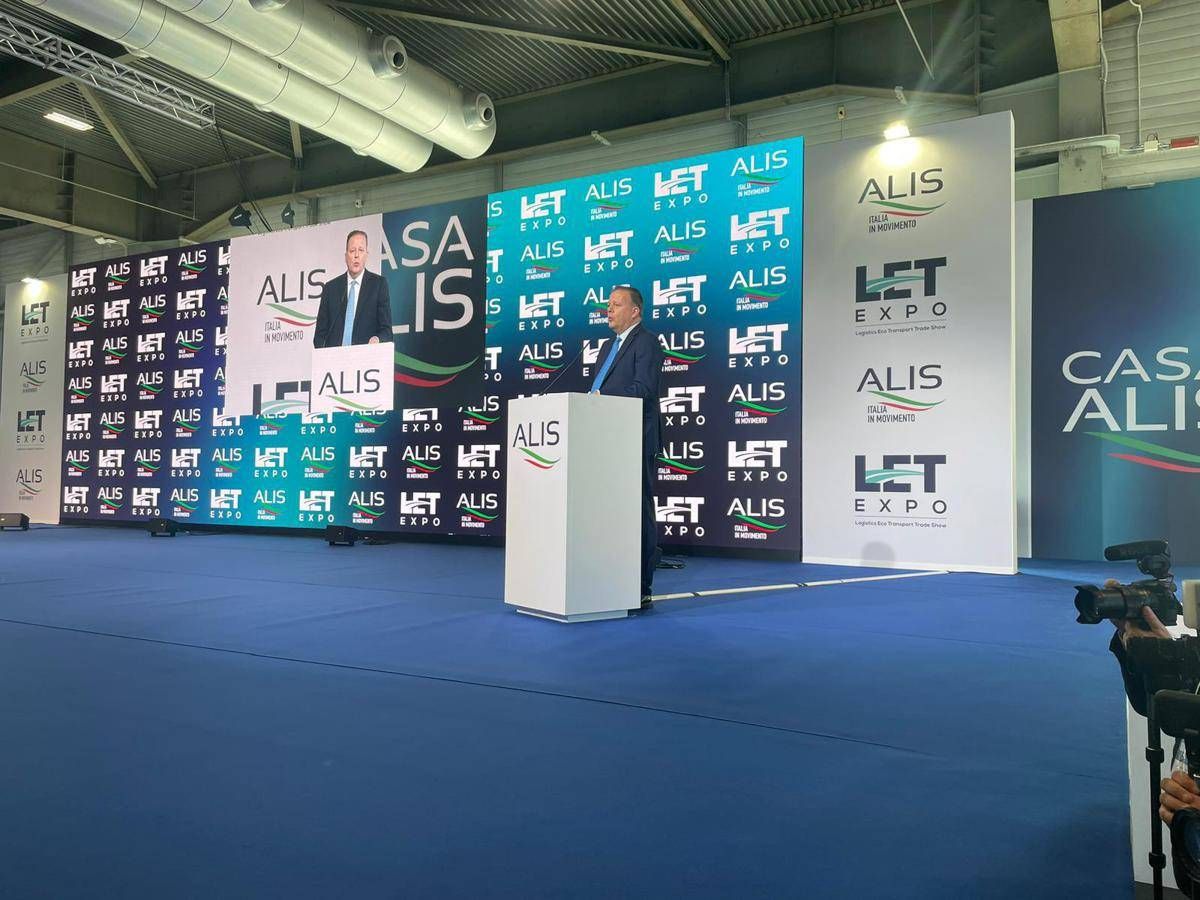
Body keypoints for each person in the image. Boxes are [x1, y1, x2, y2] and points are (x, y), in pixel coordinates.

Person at [589, 285, 664, 609]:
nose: (609, 309)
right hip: (606, 439)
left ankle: (641, 585)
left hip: (635, 438)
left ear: (635, 311)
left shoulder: (647, 342)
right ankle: (611, 577)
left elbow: (644, 388)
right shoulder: (608, 346)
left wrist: (601, 399)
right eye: (608, 304)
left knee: (637, 511)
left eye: (616, 304)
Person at [313, 230, 393, 348]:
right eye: (352, 251)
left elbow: (387, 331)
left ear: (366, 255)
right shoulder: (330, 289)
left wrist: (378, 339)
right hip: (334, 358)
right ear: (346, 256)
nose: (356, 255)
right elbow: (319, 336)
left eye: (361, 250)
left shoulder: (378, 285)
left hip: (365, 356)